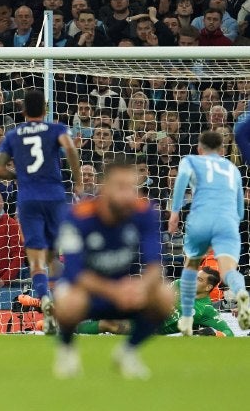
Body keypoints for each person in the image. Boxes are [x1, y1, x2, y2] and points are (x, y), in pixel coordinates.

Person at [53, 158, 174, 379]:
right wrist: (114, 290)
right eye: (120, 187)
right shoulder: (78, 215)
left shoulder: (145, 212)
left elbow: (156, 265)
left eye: (131, 187)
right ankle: (67, 350)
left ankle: (128, 352)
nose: (128, 194)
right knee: (67, 300)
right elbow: (73, 271)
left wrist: (140, 287)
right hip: (87, 292)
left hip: (126, 292)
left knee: (165, 294)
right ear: (103, 188)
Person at [0, 89, 83, 334]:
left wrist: (20, 176)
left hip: (29, 199)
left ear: (23, 111)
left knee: (36, 259)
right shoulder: (56, 130)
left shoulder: (13, 135)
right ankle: (60, 302)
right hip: (54, 197)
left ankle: (43, 298)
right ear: (44, 109)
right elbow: (71, 150)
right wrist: (78, 181)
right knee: (54, 255)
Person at [168, 130, 250, 334]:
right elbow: (240, 209)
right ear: (222, 150)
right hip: (227, 221)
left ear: (199, 149)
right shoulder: (233, 169)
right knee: (229, 270)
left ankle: (187, 317)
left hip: (201, 217)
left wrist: (175, 213)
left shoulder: (191, 161)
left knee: (190, 267)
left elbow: (181, 183)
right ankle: (241, 292)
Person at [78, 267, 234, 337]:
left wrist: (215, 333)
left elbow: (229, 333)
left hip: (151, 327)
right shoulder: (180, 284)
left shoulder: (206, 310)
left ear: (208, 287)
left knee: (109, 324)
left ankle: (69, 327)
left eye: (198, 279)